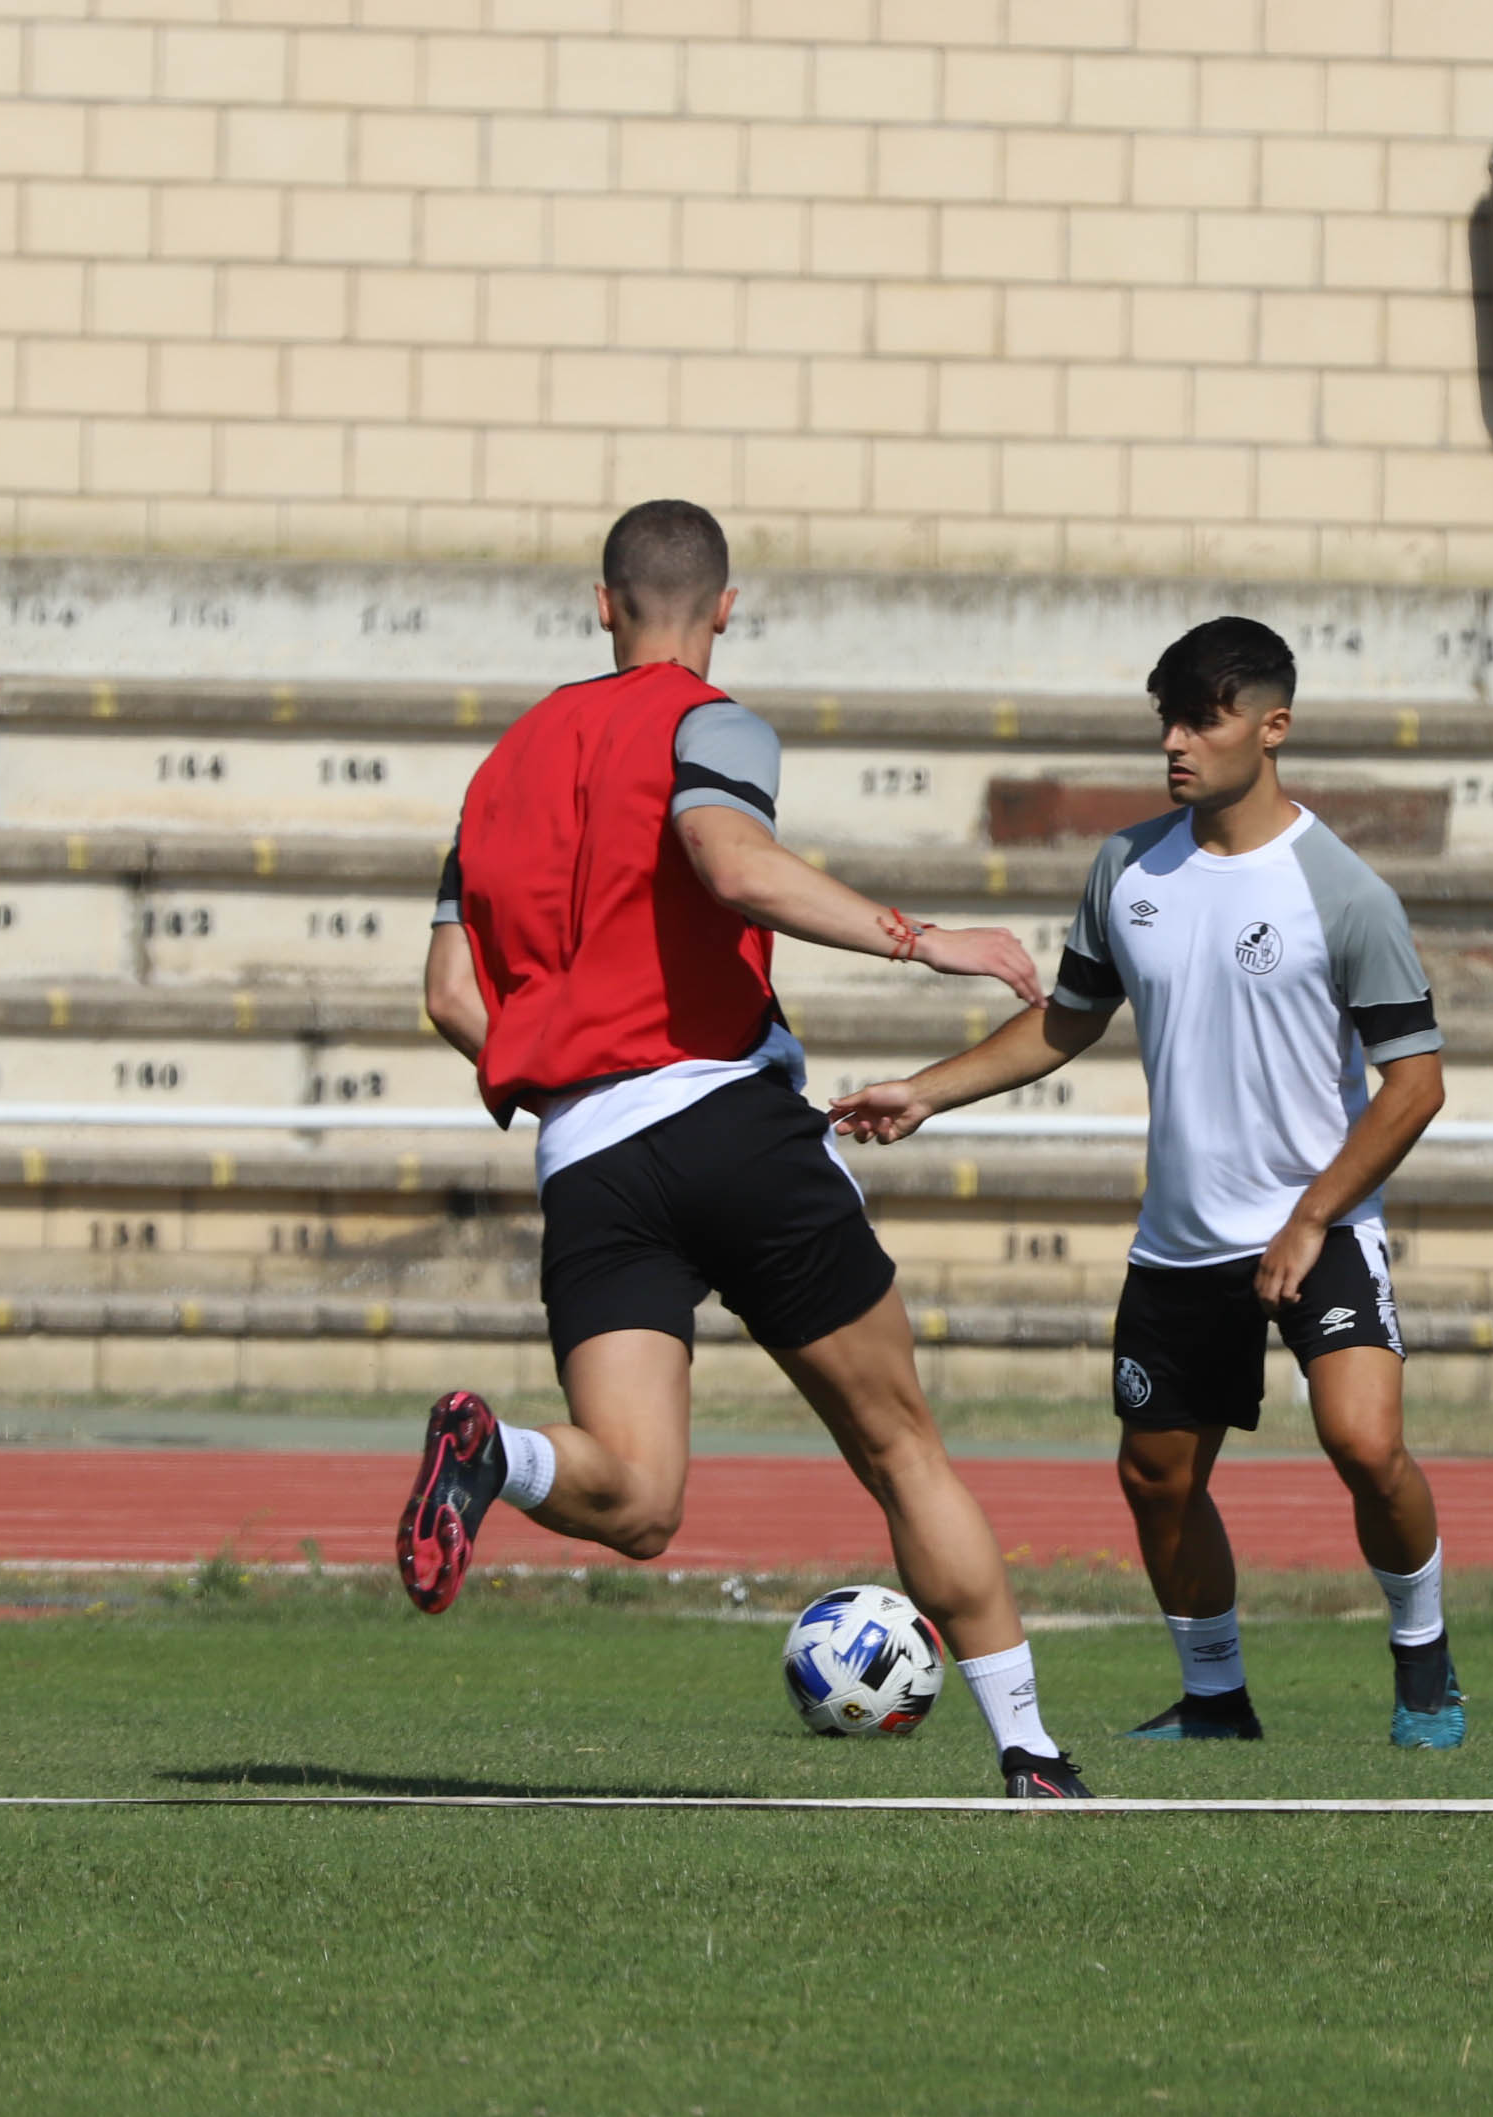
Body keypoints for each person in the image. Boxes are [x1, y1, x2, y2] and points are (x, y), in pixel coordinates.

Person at [399, 499, 1091, 1801]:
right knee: (898, 1444)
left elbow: (448, 995)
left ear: (599, 603)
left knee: (639, 1501)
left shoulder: (500, 773)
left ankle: (499, 1455)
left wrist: (555, 1062)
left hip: (586, 1150)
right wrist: (922, 939)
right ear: (724, 609)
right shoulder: (705, 719)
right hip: (723, 1118)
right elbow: (727, 860)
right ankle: (1030, 1752)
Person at [828, 617, 1463, 1747]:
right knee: (1157, 1481)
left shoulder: (1344, 890)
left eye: (1202, 718)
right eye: (1165, 719)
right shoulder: (1127, 866)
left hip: (1319, 1228)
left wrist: (1314, 1217)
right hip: (1181, 1240)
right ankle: (1217, 1701)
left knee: (1366, 1446)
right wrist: (926, 1091)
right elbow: (1066, 1021)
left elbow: (1414, 1086)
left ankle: (1424, 1663)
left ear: (1272, 728)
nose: (1176, 742)